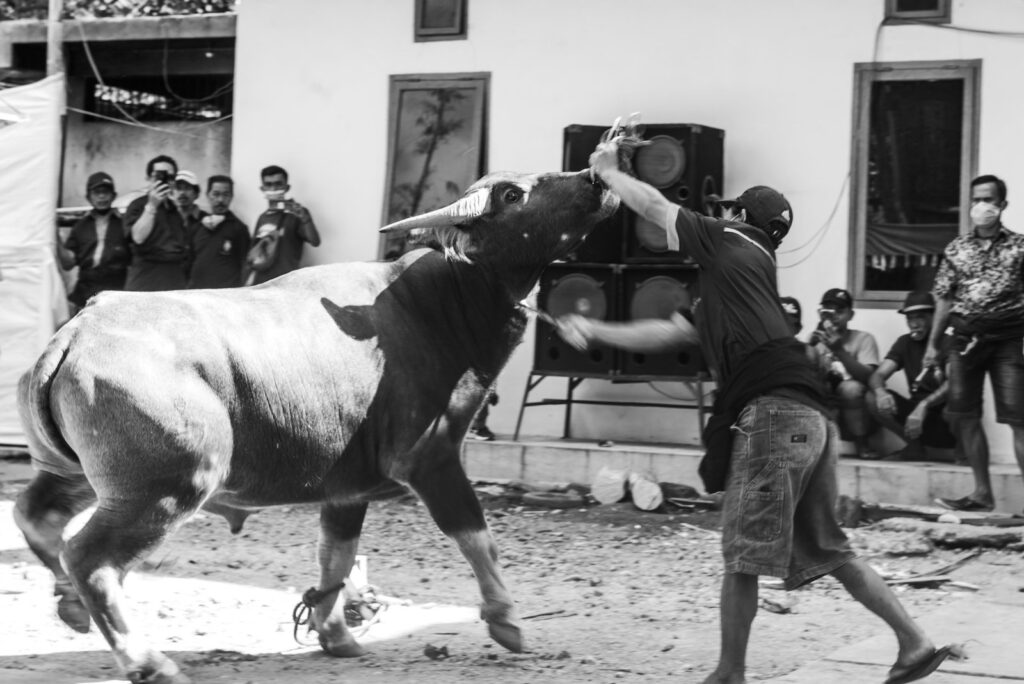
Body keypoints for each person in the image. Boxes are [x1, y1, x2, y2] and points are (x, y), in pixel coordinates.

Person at [561, 131, 949, 684]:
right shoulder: (746, 273)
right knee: (831, 549)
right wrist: (594, 327)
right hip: (810, 418)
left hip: (773, 417)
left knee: (743, 555)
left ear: (742, 216)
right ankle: (914, 644)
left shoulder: (728, 240)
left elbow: (653, 205)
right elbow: (670, 332)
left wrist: (605, 169)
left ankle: (729, 674)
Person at [926, 174, 1024, 513]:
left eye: (988, 200)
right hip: (964, 341)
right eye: (976, 199)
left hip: (1009, 341)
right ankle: (982, 494)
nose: (981, 206)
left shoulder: (1020, 247)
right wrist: (932, 345)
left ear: (1002, 205)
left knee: (1018, 418)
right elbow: (942, 298)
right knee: (964, 416)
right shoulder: (957, 249)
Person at [867, 291, 957, 462]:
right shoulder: (904, 343)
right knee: (871, 397)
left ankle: (961, 453)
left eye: (920, 317)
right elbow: (877, 375)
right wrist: (880, 393)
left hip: (944, 418)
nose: (914, 324)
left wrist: (925, 404)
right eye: (909, 318)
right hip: (915, 418)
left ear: (933, 317)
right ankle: (915, 448)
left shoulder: (948, 341)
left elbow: (954, 383)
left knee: (956, 405)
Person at [808, 288, 882, 459]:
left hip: (859, 415)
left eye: (840, 311)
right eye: (827, 312)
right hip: (827, 408)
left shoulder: (864, 339)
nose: (833, 316)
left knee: (851, 388)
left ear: (851, 314)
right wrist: (809, 348)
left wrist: (839, 350)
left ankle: (862, 445)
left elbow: (869, 377)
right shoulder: (815, 340)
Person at [58, 172, 130, 312]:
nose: (101, 196)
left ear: (113, 196)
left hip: (117, 291)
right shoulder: (81, 226)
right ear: (89, 197)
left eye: (105, 192)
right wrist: (55, 238)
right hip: (86, 290)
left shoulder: (124, 223)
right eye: (97, 192)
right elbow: (68, 264)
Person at [123, 155, 190, 291]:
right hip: (146, 278)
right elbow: (138, 237)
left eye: (169, 177)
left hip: (173, 279)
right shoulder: (137, 205)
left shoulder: (174, 209)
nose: (165, 181)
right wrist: (152, 205)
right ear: (148, 179)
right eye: (159, 176)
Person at [247, 165, 321, 285]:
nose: (274, 188)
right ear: (262, 188)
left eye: (278, 184)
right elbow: (254, 250)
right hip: (261, 283)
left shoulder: (297, 214)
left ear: (286, 187)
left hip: (286, 283)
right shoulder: (262, 217)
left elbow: (315, 242)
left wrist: (305, 218)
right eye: (269, 184)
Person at [187, 174, 251, 289]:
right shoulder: (197, 227)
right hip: (196, 295)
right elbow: (189, 262)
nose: (220, 200)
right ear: (208, 195)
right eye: (216, 194)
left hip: (224, 297)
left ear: (231, 197)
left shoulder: (239, 229)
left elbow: (245, 266)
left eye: (225, 195)